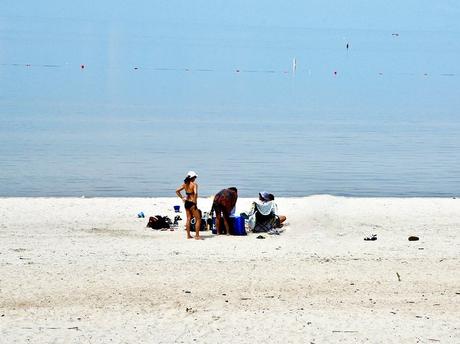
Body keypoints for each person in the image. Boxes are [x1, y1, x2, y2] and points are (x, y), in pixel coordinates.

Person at [176, 171, 202, 240]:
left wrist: (182, 198)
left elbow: (177, 191)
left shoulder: (185, 184)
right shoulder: (194, 184)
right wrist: (195, 202)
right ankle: (197, 236)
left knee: (188, 218)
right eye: (195, 177)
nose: (195, 178)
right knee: (198, 219)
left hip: (186, 203)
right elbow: (195, 193)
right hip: (192, 203)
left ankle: (188, 235)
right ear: (192, 177)